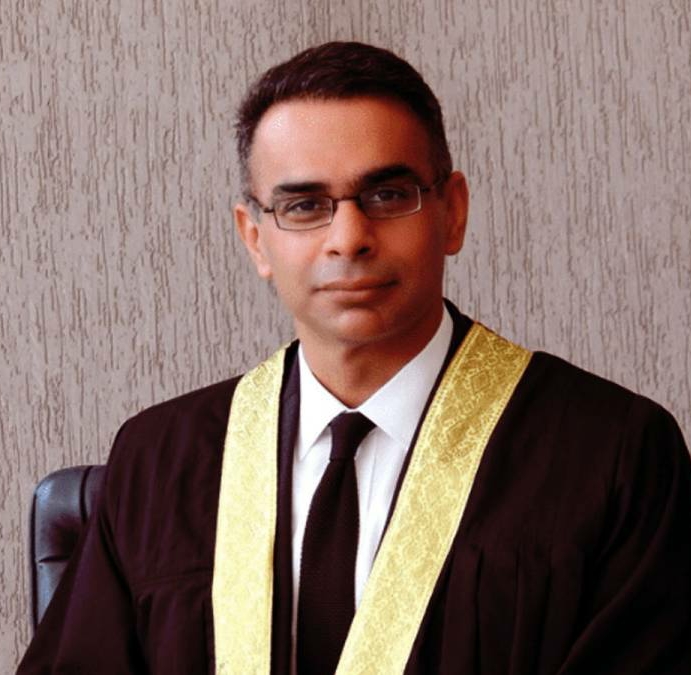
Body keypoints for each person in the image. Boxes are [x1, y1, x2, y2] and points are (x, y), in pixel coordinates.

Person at [18, 41, 691, 675]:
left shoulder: (612, 455)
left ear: (452, 212)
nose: (348, 237)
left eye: (387, 195)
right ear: (255, 238)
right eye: (304, 205)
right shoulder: (160, 461)